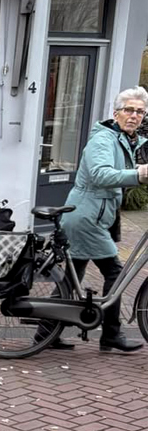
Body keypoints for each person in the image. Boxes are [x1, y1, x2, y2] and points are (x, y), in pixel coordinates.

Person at [58, 87, 148, 352]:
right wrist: (138, 174)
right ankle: (111, 334)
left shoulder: (124, 139)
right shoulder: (104, 140)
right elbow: (100, 175)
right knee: (115, 273)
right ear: (116, 112)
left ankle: (45, 334)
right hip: (87, 217)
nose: (134, 116)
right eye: (128, 110)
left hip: (92, 214)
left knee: (71, 278)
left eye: (139, 111)